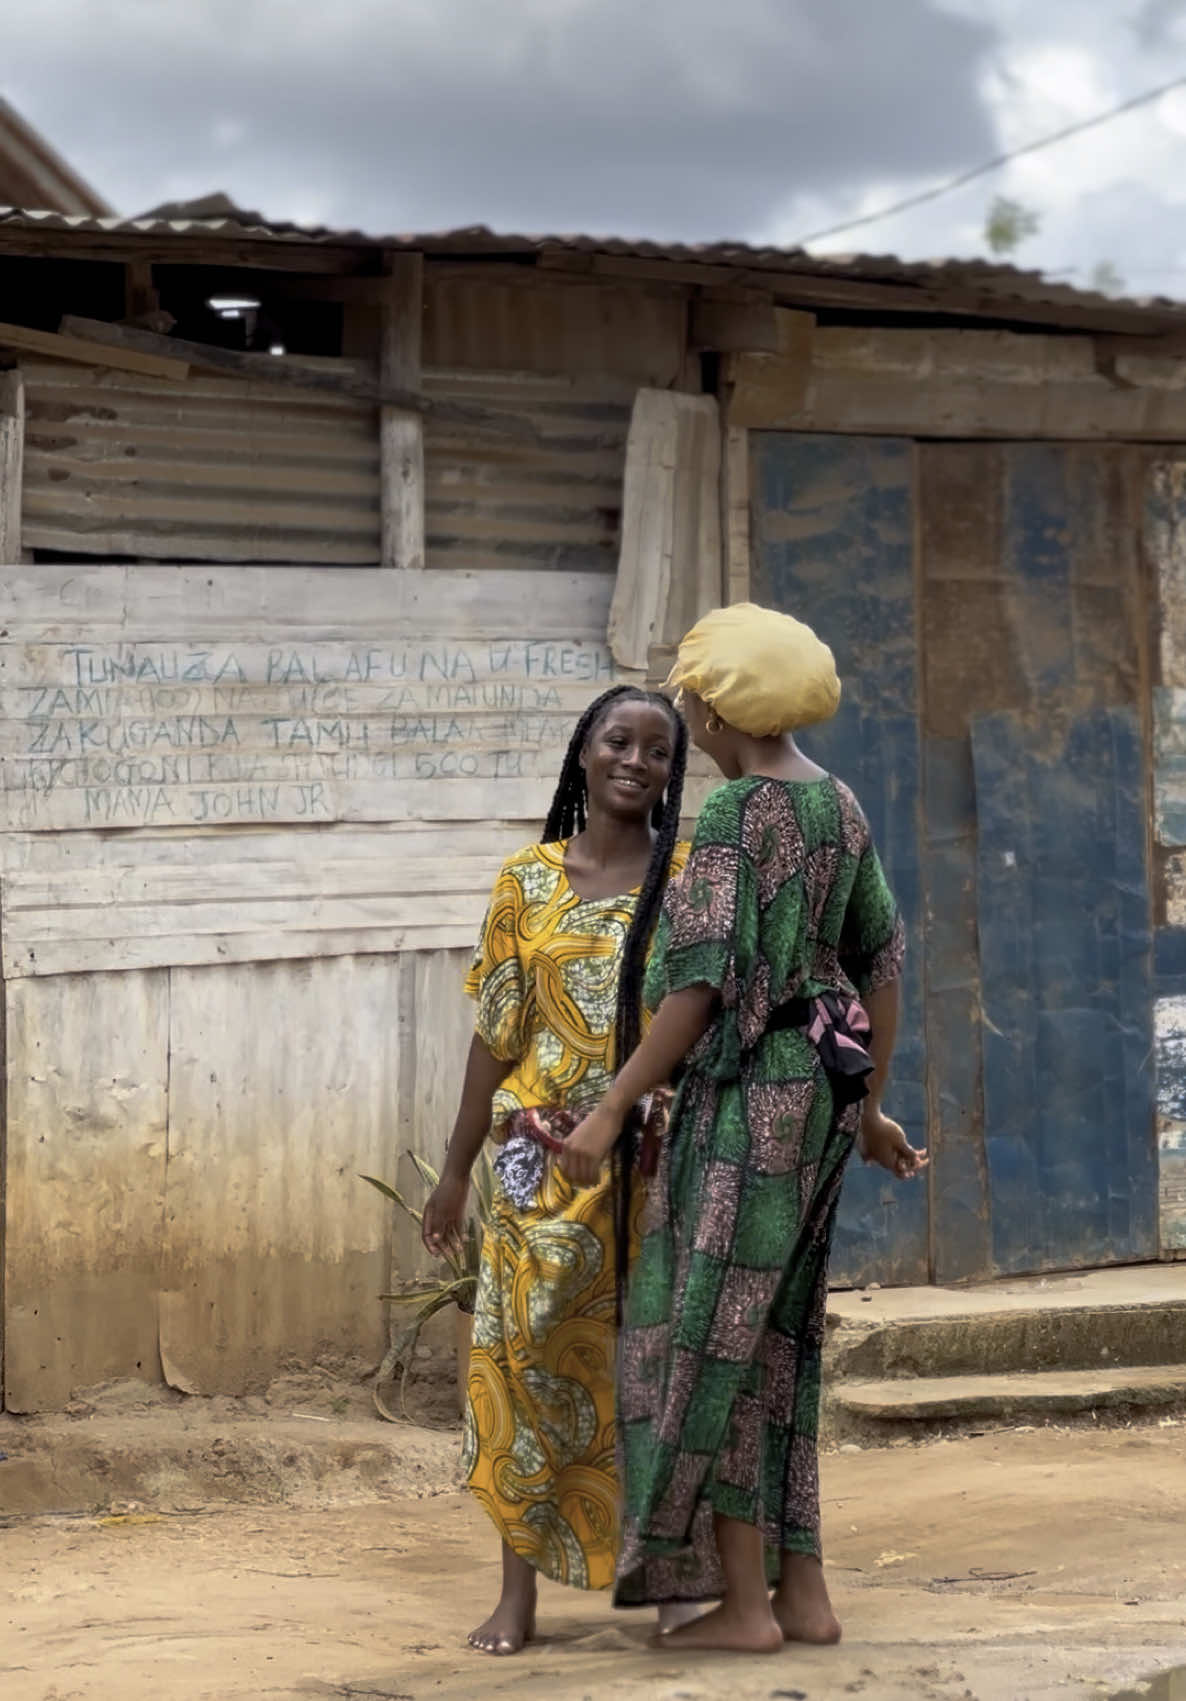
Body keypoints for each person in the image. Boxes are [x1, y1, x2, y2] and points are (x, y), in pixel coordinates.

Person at [560, 603, 928, 1655]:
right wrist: (867, 1108)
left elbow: (701, 989)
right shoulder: (839, 808)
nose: (683, 714)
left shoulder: (729, 818)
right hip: (817, 1096)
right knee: (781, 1341)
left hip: (748, 1100)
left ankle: (747, 1608)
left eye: (686, 698)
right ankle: (803, 1593)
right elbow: (881, 964)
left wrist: (614, 1101)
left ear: (717, 706)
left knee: (710, 1340)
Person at [420, 683, 690, 1655]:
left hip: (651, 1157)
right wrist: (454, 1172)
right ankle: (517, 1593)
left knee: (653, 1366)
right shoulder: (523, 882)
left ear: (671, 772)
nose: (635, 761)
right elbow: (494, 1035)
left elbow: (697, 1015)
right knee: (521, 1365)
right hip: (534, 1161)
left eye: (657, 751)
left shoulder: (687, 877)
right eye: (618, 741)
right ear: (584, 752)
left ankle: (666, 1584)